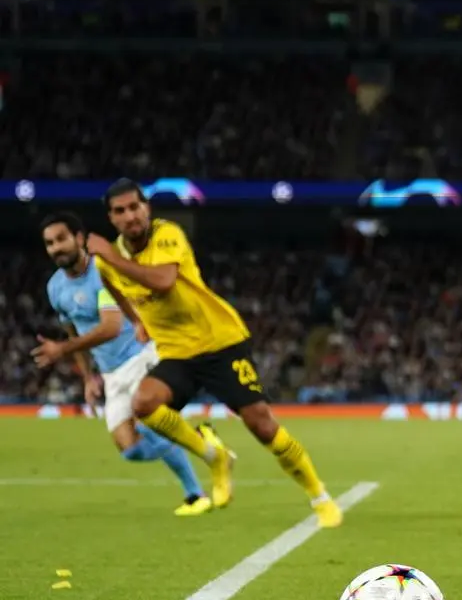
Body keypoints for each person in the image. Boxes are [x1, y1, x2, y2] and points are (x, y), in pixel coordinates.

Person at [90, 179, 343, 529]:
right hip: (177, 352)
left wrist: (112, 256)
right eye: (120, 211)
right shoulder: (108, 261)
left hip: (219, 342)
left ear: (146, 208)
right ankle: (215, 457)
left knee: (262, 424)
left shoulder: (167, 234)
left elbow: (163, 281)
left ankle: (319, 496)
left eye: (135, 207)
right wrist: (137, 319)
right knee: (144, 403)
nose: (130, 216)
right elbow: (114, 286)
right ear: (111, 218)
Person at [35, 211, 209, 516]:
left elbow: (111, 327)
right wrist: (88, 377)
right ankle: (200, 441)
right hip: (111, 373)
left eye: (61, 239)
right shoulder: (55, 288)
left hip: (142, 356)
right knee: (131, 450)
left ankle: (195, 494)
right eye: (49, 243)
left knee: (152, 425)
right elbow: (72, 328)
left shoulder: (104, 273)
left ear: (79, 238)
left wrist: (61, 350)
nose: (55, 248)